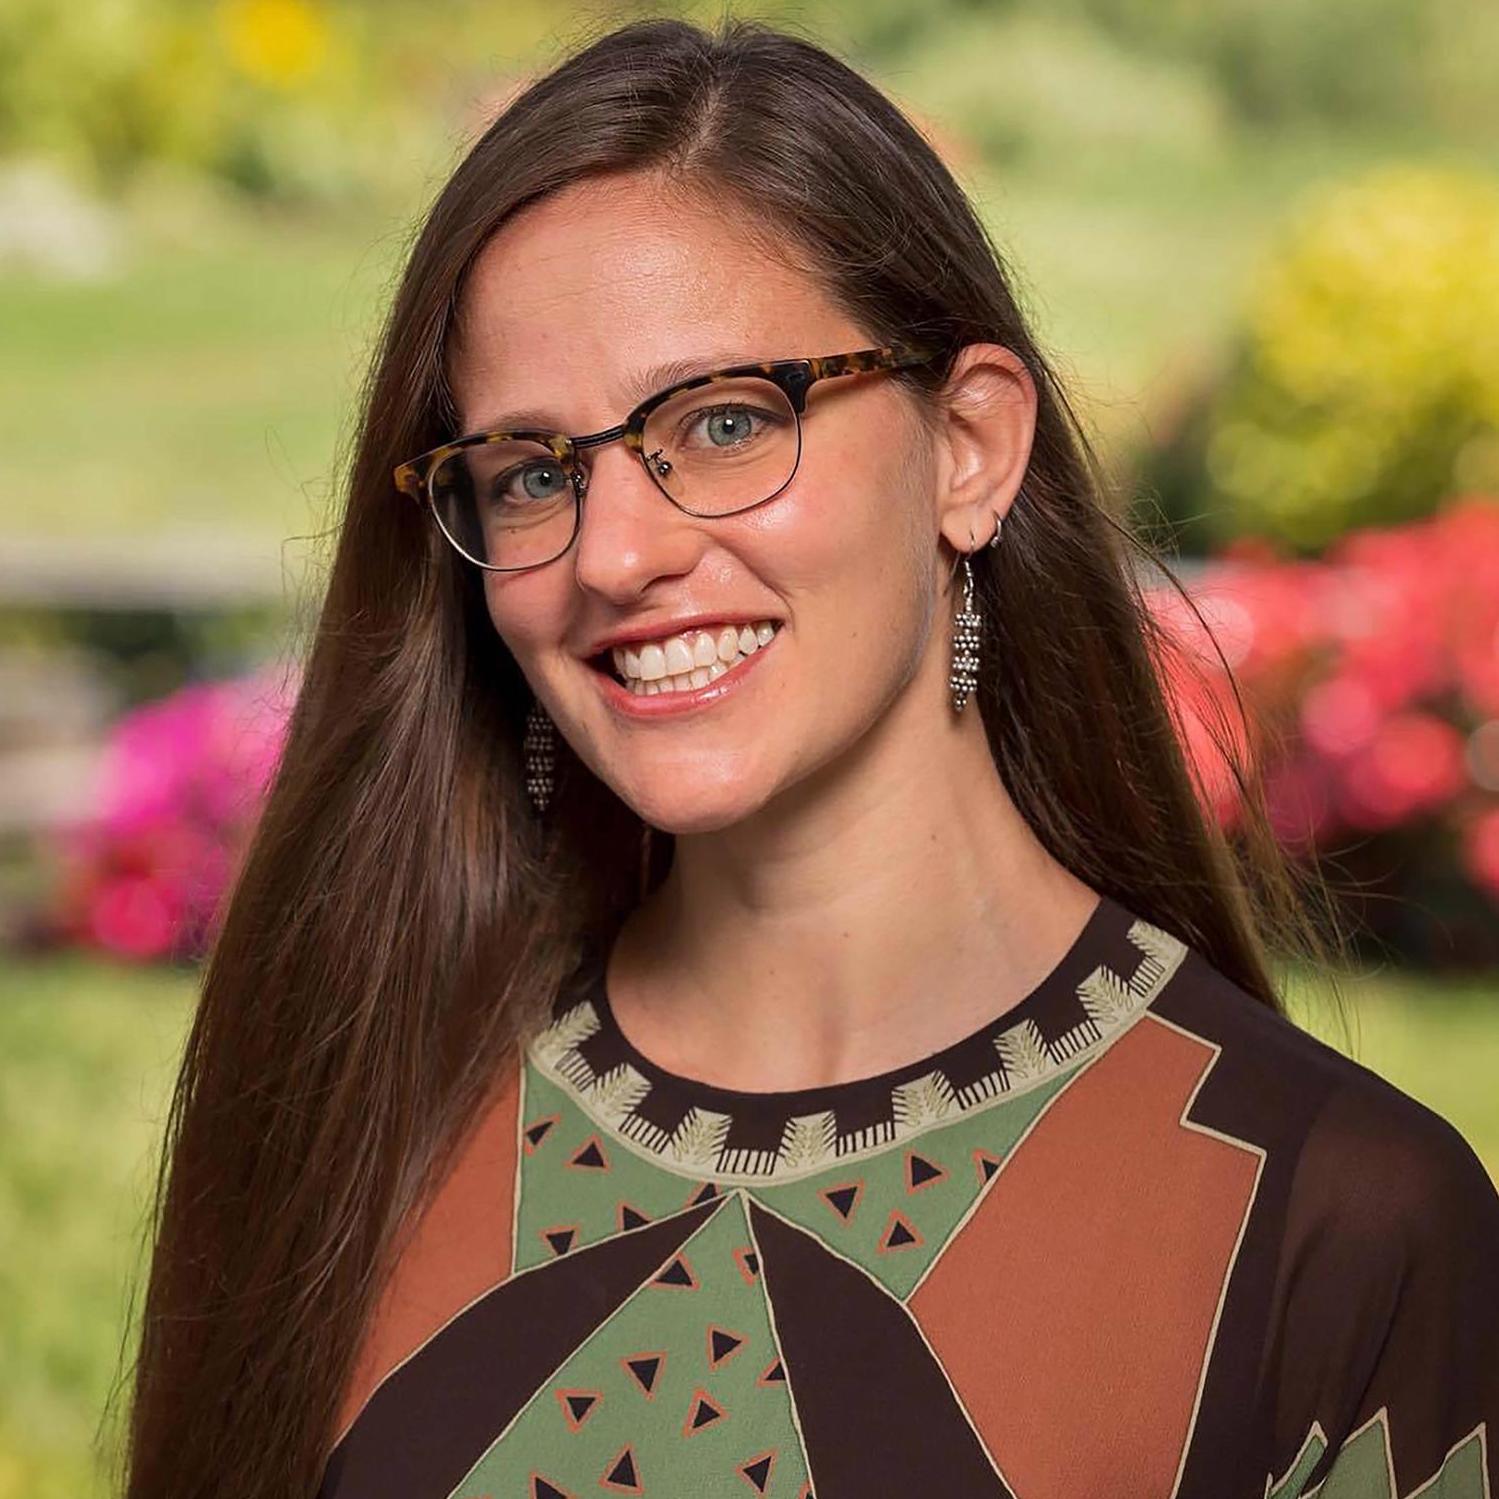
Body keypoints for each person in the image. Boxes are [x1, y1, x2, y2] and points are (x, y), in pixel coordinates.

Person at [120, 17, 1499, 1499]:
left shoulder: (1341, 1228)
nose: (616, 554)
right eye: (533, 474)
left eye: (722, 421)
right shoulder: (363, 1115)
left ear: (969, 446)